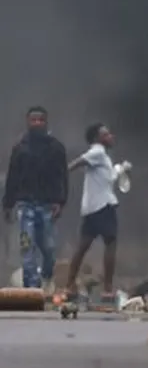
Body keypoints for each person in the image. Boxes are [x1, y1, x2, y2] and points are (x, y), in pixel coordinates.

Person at [2, 106, 68, 293]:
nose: (37, 123)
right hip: (25, 206)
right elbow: (12, 177)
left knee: (49, 248)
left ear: (46, 122)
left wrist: (60, 201)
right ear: (28, 121)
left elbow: (62, 176)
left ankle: (46, 277)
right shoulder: (20, 148)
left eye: (40, 120)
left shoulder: (56, 148)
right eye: (34, 120)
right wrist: (7, 204)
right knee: (27, 246)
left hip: (47, 205)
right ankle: (32, 287)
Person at [64, 123, 132, 301]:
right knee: (110, 245)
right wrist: (62, 173)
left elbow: (108, 179)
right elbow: (78, 163)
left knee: (82, 247)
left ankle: (69, 285)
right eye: (106, 134)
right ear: (96, 138)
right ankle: (108, 288)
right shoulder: (98, 152)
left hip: (91, 208)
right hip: (103, 207)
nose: (111, 136)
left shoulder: (103, 156)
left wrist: (120, 169)